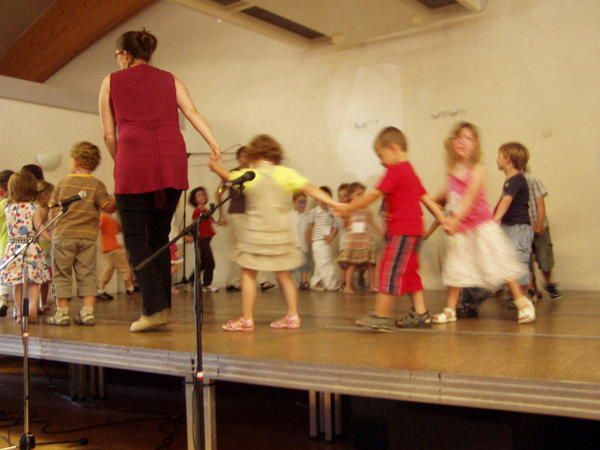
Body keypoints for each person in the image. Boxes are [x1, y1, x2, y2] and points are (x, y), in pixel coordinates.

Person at [98, 29, 221, 332]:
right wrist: (214, 143)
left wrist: (121, 160)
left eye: (117, 55)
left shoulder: (110, 81)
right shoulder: (171, 79)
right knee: (159, 236)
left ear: (125, 55)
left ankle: (154, 309)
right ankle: (162, 306)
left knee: (137, 239)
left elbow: (108, 134)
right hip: (171, 162)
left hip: (133, 160)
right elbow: (192, 111)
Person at [208, 134, 340, 331]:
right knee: (284, 275)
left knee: (248, 273)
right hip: (281, 233)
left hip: (256, 232)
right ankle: (293, 316)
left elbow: (226, 176)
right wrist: (336, 204)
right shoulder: (286, 173)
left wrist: (214, 163)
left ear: (254, 153)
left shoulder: (251, 174)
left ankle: (246, 319)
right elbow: (312, 189)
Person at [335, 127, 446, 330]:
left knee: (388, 270)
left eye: (381, 155)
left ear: (393, 148)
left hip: (403, 231)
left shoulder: (394, 171)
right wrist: (442, 219)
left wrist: (348, 208)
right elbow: (426, 198)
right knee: (410, 272)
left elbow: (372, 196)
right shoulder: (409, 170)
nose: (380, 161)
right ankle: (421, 313)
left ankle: (382, 315)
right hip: (414, 231)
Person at [430, 123, 535, 324]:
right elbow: (444, 197)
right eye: (459, 137)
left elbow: (469, 199)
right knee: (455, 269)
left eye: (468, 138)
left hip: (480, 226)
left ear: (475, 145)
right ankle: (450, 309)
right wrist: (430, 205)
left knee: (501, 264)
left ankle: (522, 302)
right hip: (461, 231)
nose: (462, 141)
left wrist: (455, 219)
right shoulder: (452, 172)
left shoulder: (477, 169)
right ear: (453, 142)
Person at [46, 142, 116, 326]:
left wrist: (53, 231)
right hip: (87, 236)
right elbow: (108, 207)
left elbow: (52, 209)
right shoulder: (96, 185)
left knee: (62, 273)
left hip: (63, 235)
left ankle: (62, 313)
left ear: (75, 160)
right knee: (87, 273)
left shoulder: (62, 183)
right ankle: (87, 312)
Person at [222, 146, 276, 293]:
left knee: (245, 247)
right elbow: (220, 191)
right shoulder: (233, 173)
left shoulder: (253, 174)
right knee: (247, 245)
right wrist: (221, 215)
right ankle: (262, 280)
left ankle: (233, 281)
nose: (245, 159)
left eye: (248, 156)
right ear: (238, 158)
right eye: (243, 156)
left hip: (251, 213)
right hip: (237, 212)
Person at [0, 170, 51, 323]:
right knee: (34, 283)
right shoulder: (33, 209)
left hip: (13, 249)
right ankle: (32, 309)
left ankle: (19, 312)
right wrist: (51, 238)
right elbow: (39, 227)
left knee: (18, 284)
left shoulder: (8, 209)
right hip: (30, 249)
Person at [494, 142, 533, 295]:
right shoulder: (510, 180)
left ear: (508, 159)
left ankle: (524, 297)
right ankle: (516, 296)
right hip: (509, 226)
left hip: (518, 228)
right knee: (508, 260)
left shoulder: (517, 179)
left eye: (499, 156)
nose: (496, 160)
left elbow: (507, 200)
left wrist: (496, 218)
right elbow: (502, 199)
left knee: (519, 261)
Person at [337, 182, 381, 294]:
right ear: (351, 195)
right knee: (352, 263)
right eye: (359, 194)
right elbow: (344, 223)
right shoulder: (349, 208)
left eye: (363, 194)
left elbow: (372, 223)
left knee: (371, 263)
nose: (362, 197)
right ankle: (347, 286)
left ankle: (372, 285)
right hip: (353, 240)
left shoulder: (366, 209)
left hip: (365, 239)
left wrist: (381, 232)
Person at [525, 171, 562, 299]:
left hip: (539, 226)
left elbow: (540, 204)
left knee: (545, 257)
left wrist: (539, 223)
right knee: (525, 259)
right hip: (523, 228)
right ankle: (530, 287)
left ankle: (548, 283)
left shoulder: (532, 180)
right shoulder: (510, 181)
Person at [96, 212, 136, 300]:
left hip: (109, 247)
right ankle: (130, 288)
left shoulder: (107, 217)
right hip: (115, 247)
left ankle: (100, 289)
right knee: (124, 267)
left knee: (109, 268)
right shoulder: (107, 217)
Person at [307, 186, 340, 291]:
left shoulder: (331, 212)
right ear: (317, 198)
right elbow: (310, 227)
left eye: (327, 198)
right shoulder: (314, 212)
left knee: (322, 262)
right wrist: (310, 240)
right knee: (324, 263)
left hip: (327, 242)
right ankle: (331, 285)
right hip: (317, 242)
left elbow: (336, 227)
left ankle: (315, 282)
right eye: (321, 197)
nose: (323, 201)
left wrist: (331, 237)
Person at [187, 187, 218, 292]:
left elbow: (211, 223)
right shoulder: (198, 210)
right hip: (202, 239)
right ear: (194, 199)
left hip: (207, 239)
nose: (202, 197)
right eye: (199, 195)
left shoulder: (205, 209)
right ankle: (206, 284)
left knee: (204, 263)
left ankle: (191, 281)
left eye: (203, 194)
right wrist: (193, 236)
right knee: (210, 262)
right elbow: (195, 224)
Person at [35, 180, 54, 313]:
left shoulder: (49, 208)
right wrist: (50, 238)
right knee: (40, 278)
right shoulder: (38, 210)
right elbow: (40, 229)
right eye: (49, 194)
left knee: (46, 278)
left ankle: (43, 302)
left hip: (47, 247)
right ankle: (37, 303)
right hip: (41, 246)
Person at [0, 169, 15, 317]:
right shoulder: (19, 205)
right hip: (16, 246)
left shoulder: (2, 205)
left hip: (3, 245)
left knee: (2, 276)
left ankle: (2, 301)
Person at [291, 191, 311, 290]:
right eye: (300, 202)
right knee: (290, 266)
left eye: (304, 202)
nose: (302, 205)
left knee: (305, 264)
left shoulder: (308, 216)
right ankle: (288, 283)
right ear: (294, 202)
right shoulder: (290, 215)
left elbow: (309, 231)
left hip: (304, 245)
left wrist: (309, 242)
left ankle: (304, 281)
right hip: (292, 246)